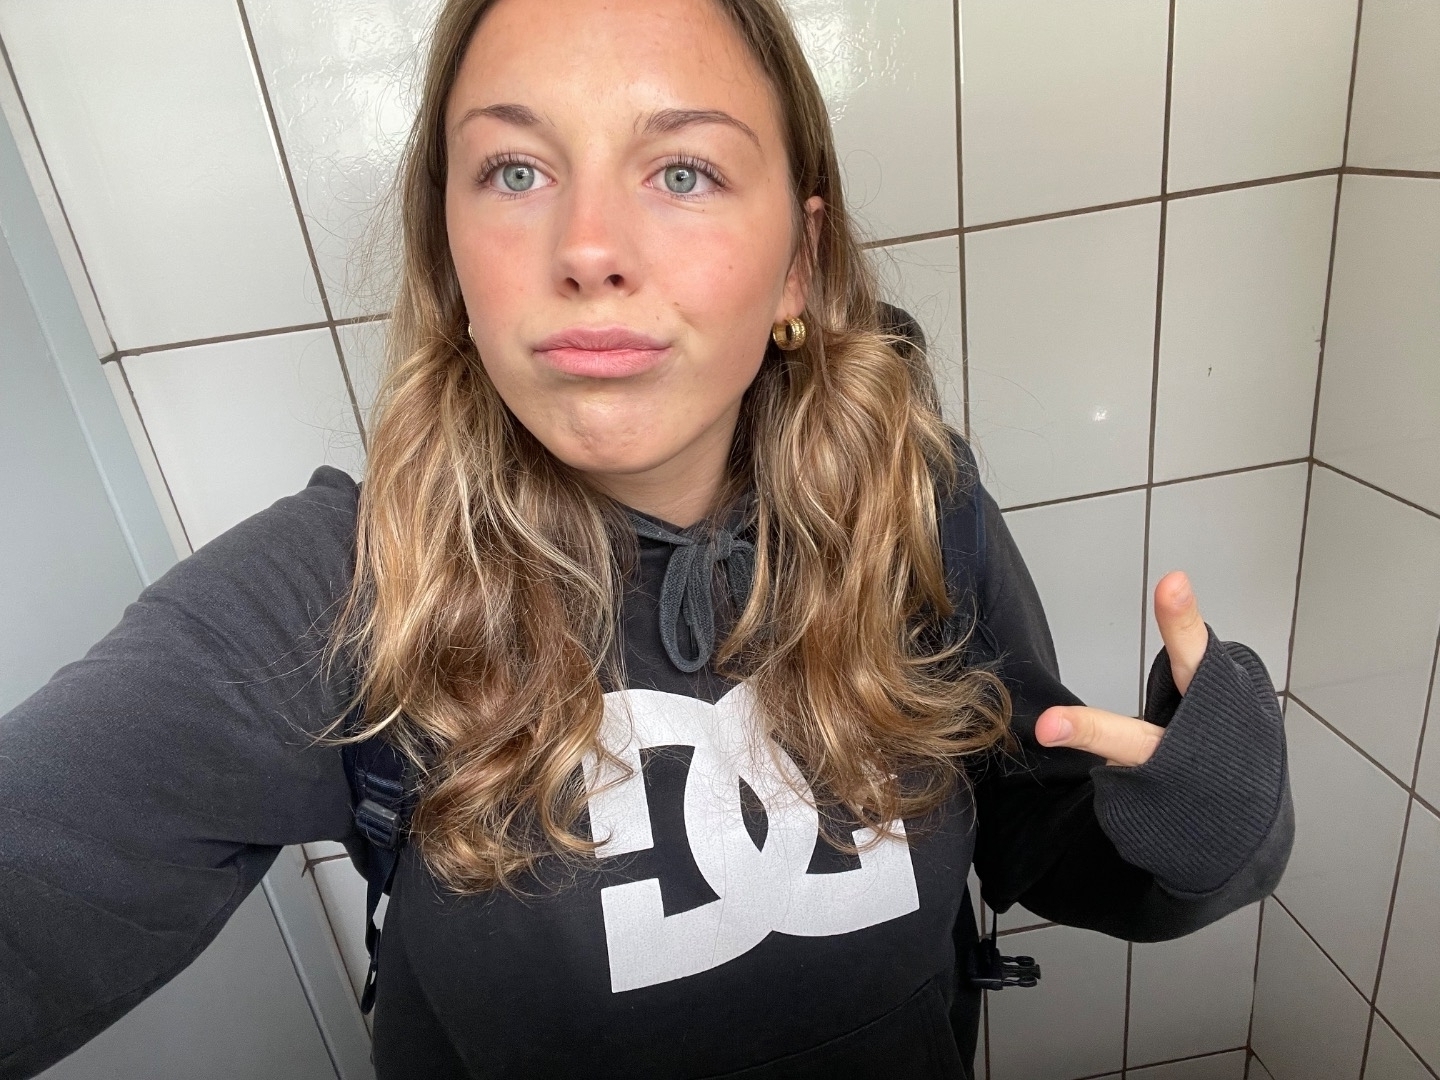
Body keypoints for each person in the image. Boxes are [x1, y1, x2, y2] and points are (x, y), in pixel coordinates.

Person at [0, 0, 1293, 1077]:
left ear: (799, 261)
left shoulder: (914, 506)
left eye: (683, 171)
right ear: (451, 258)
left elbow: (1036, 830)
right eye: (516, 171)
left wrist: (1203, 825)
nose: (588, 249)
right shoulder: (338, 595)